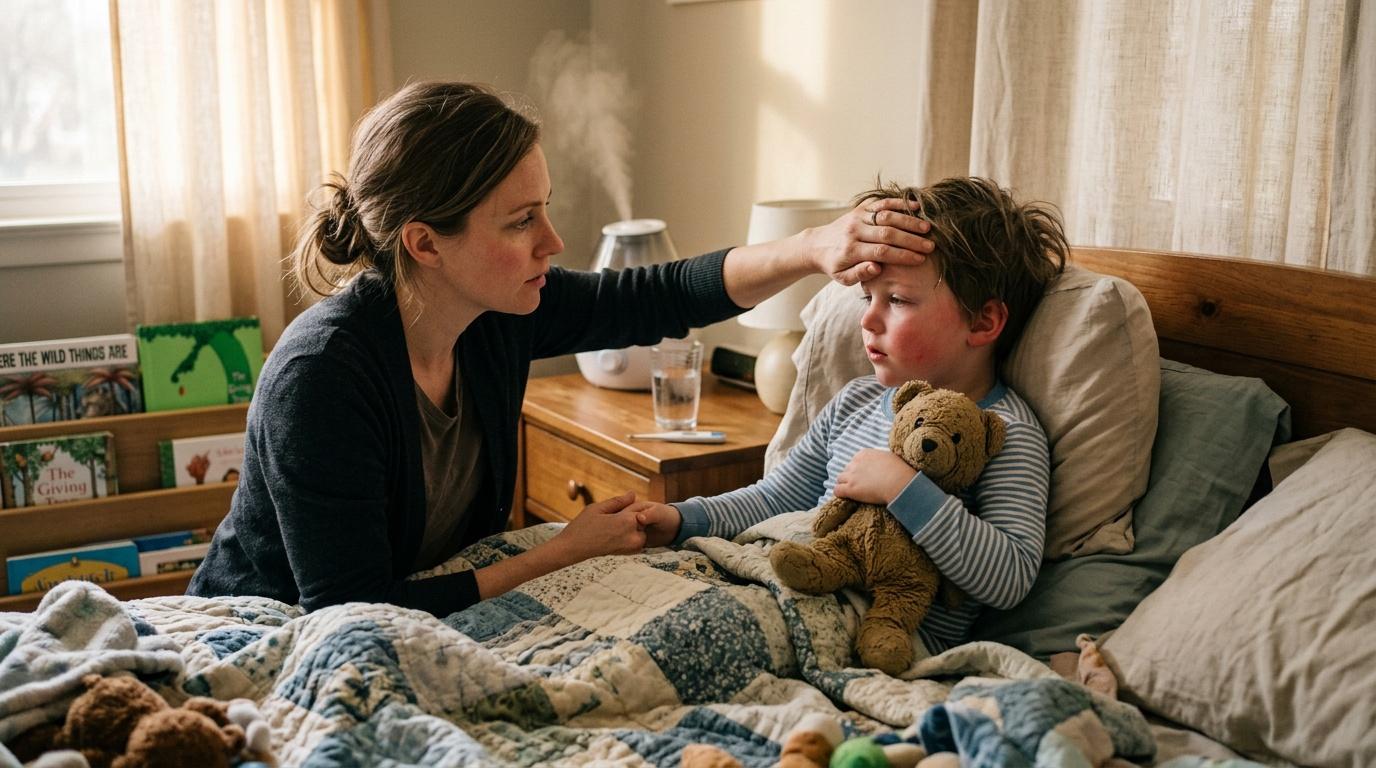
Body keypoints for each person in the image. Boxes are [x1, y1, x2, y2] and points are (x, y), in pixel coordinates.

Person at [186, 81, 933, 616]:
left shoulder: (496, 314)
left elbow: (658, 294)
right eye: (520, 222)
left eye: (545, 210)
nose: (553, 242)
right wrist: (563, 550)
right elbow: (351, 606)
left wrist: (812, 246)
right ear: (424, 243)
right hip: (269, 621)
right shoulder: (321, 380)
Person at [631, 177, 1067, 654]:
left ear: (983, 322)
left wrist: (904, 488)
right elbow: (774, 498)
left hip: (874, 628)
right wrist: (680, 518)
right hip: (789, 577)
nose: (868, 319)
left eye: (897, 300)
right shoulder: (855, 400)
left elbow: (1009, 576)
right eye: (867, 298)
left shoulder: (1004, 434)